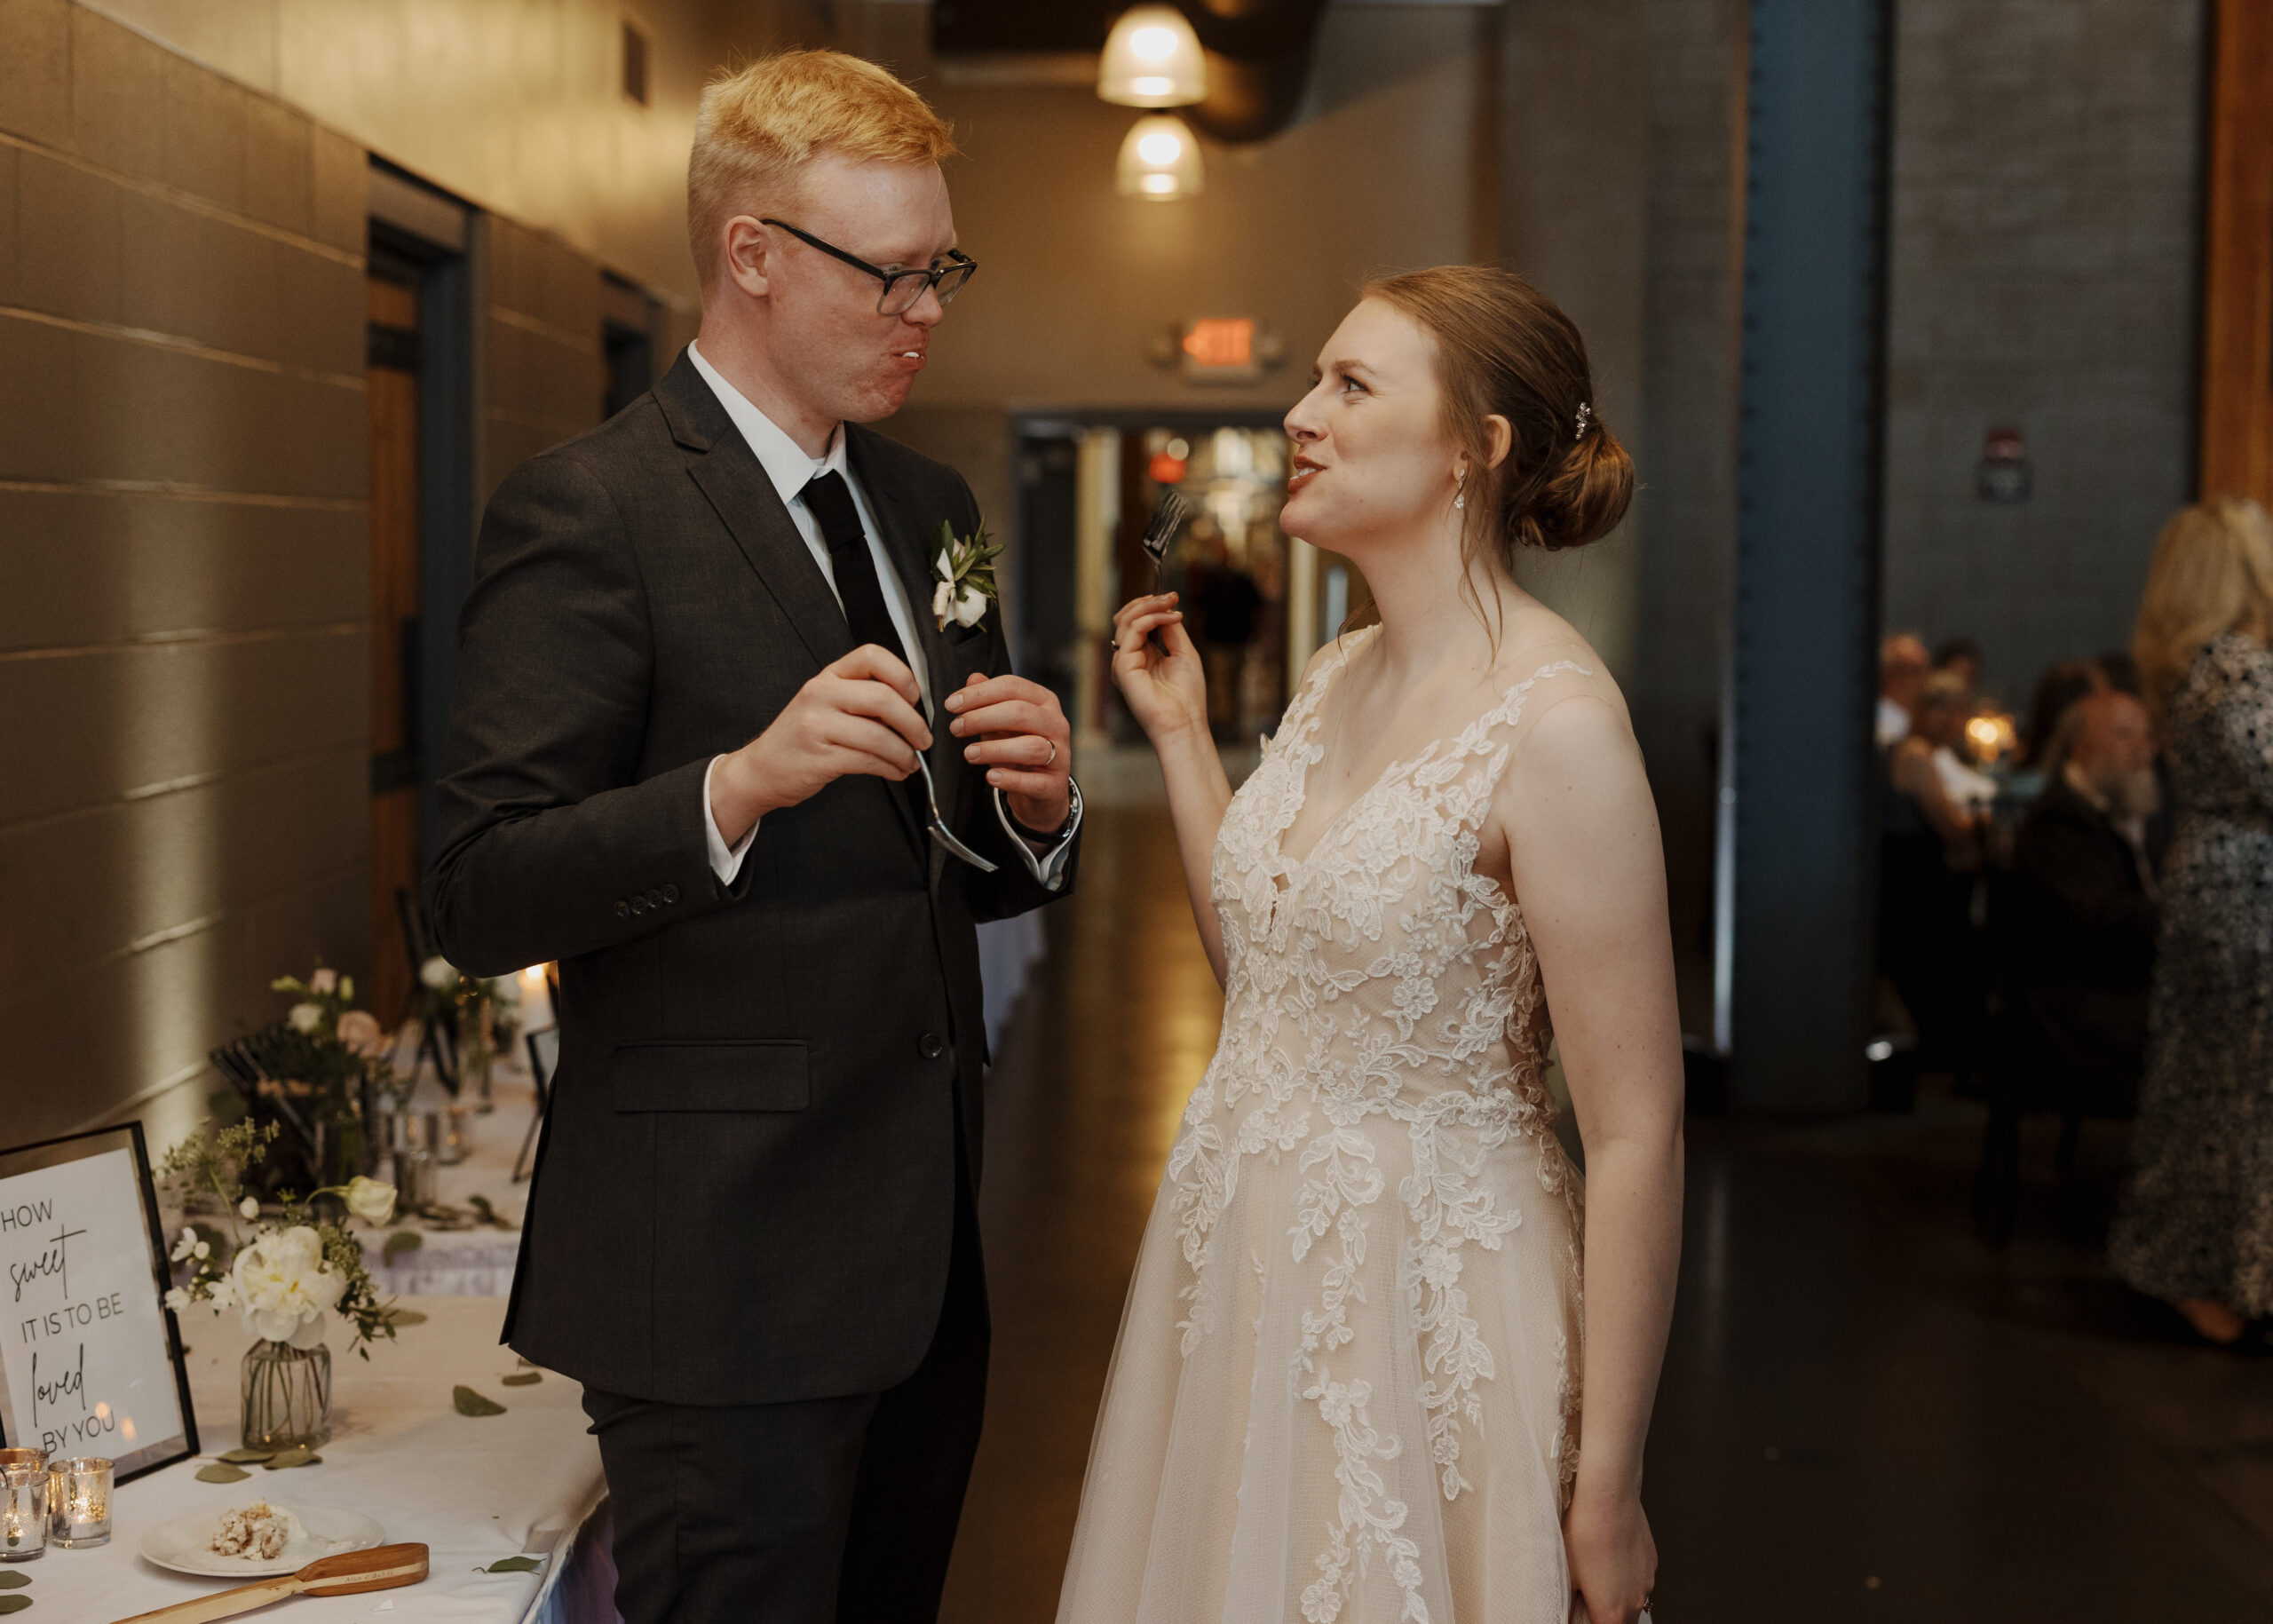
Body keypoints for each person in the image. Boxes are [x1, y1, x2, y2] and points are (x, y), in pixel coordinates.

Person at [425, 51, 1081, 1622]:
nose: (928, 308)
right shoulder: (590, 507)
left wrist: (1033, 820)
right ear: (754, 257)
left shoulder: (926, 503)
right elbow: (475, 885)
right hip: (712, 1277)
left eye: (944, 269)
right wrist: (734, 784)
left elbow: (943, 856)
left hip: (920, 1268)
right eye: (892, 272)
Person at [1060, 266, 1683, 1624]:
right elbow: (1278, 989)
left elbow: (1636, 1131)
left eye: (1350, 385)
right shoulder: (1342, 670)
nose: (1302, 415)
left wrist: (1611, 1486)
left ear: (1477, 446)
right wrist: (1179, 742)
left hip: (1428, 1305)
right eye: (1313, 380)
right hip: (1243, 1269)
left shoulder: (1557, 724)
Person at [2111, 495, 2273, 1350]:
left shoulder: (2200, 667)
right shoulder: (2235, 667)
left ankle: (2209, 1277)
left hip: (2221, 884)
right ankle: (2208, 1282)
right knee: (2229, 1098)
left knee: (2214, 1090)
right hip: (2246, 893)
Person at [2008, 689, 2160, 1106]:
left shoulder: (2117, 813)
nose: (2142, 751)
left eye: (2147, 737)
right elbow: (2107, 921)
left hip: (2119, 991)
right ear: (2081, 745)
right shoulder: (2061, 821)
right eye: (2124, 736)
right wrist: (2192, 918)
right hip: (2078, 1011)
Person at [1878, 630, 1930, 747]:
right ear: (1888, 673)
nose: (1922, 679)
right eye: (1913, 670)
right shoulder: (1880, 724)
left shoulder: (1918, 719)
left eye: (1924, 669)